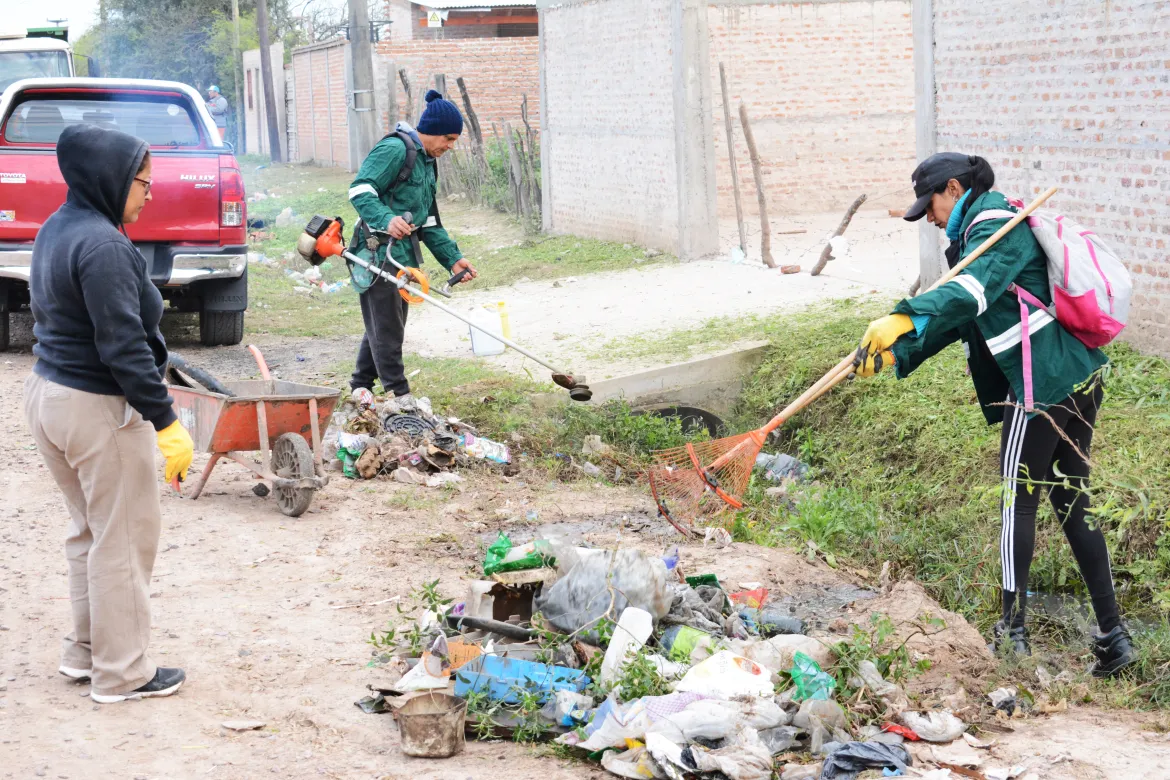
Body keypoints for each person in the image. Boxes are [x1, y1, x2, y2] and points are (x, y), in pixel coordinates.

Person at [854, 152, 1135, 677]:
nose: (930, 218)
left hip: (1041, 383)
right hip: (1077, 375)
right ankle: (1113, 638)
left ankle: (1012, 632)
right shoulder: (979, 233)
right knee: (1072, 500)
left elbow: (971, 291)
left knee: (1016, 501)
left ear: (954, 188)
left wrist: (903, 315)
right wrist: (903, 347)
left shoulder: (996, 225)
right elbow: (964, 312)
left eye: (931, 205)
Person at [24, 124, 195, 703]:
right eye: (142, 181)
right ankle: (123, 674)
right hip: (95, 407)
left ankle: (86, 653)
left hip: (50, 396)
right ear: (110, 179)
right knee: (122, 540)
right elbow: (122, 347)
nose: (150, 193)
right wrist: (167, 422)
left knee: (91, 532)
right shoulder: (102, 245)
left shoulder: (57, 226)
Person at [346, 89, 477, 410]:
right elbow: (360, 190)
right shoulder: (395, 149)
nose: (450, 146)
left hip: (403, 255)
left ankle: (360, 385)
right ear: (430, 130)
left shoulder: (427, 162)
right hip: (376, 251)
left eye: (454, 140)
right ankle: (400, 395)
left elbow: (429, 221)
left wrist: (453, 260)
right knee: (388, 326)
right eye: (448, 138)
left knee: (386, 323)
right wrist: (386, 219)